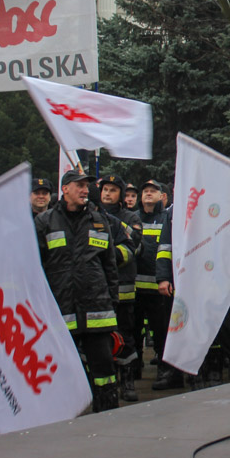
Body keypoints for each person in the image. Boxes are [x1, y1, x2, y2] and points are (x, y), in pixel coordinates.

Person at [37, 169, 120, 411]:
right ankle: (65, 413)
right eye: (79, 186)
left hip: (97, 308)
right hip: (61, 308)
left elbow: (109, 265)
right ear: (65, 189)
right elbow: (37, 266)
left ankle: (107, 409)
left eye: (86, 186)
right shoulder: (45, 221)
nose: (85, 190)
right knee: (63, 367)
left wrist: (111, 300)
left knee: (104, 367)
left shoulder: (98, 221)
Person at [96, 174, 143, 402]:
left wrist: (108, 255)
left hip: (123, 288)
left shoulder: (129, 217)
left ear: (121, 195)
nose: (107, 193)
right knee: (100, 341)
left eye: (113, 190)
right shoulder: (92, 216)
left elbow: (133, 245)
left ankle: (128, 381)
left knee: (125, 336)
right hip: (97, 290)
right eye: (105, 189)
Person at [135, 180, 180, 390]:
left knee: (162, 333)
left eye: (153, 191)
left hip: (159, 289)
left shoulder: (166, 217)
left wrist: (164, 278)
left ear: (162, 196)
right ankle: (134, 370)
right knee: (135, 332)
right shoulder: (133, 218)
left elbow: (164, 250)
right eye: (145, 191)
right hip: (135, 288)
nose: (149, 194)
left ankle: (166, 368)